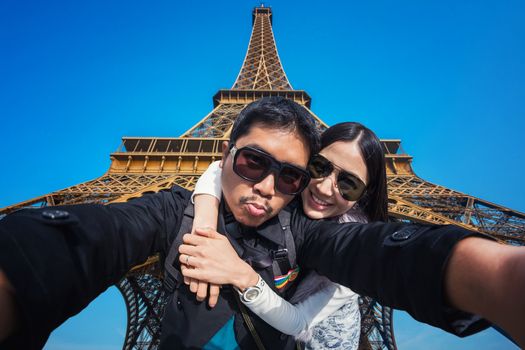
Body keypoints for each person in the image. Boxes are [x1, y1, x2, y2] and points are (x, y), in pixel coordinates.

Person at [0, 97, 523, 349]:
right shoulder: (175, 209)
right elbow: (100, 234)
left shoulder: (313, 231)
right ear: (225, 153)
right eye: (253, 163)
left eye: (291, 175)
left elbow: (378, 250)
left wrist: (488, 274)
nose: (270, 186)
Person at [186, 121, 388, 349]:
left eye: (349, 184)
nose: (323, 188)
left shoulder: (353, 251)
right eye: (320, 167)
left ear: (363, 195)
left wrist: (243, 276)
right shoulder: (285, 189)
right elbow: (220, 167)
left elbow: (300, 322)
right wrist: (205, 225)